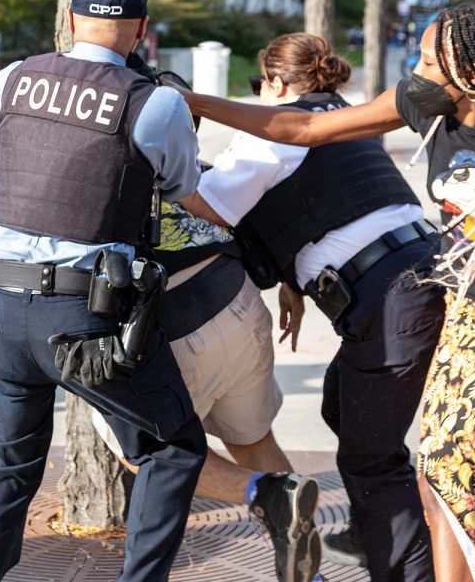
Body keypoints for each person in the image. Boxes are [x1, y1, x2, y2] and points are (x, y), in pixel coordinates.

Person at [175, 4, 475, 582]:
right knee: (443, 487)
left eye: (431, 60)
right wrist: (194, 103)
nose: (416, 68)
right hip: (463, 320)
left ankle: (406, 560)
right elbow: (301, 128)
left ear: (471, 73)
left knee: (449, 479)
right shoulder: (422, 103)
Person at [0, 0, 307, 582]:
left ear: (72, 18)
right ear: (142, 30)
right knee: (172, 449)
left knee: (4, 463)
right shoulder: (153, 104)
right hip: (87, 318)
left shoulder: (16, 81)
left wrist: (12, 222)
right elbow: (181, 183)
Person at [175, 32, 446, 582]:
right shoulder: (345, 117)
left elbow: (211, 208)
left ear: (274, 84)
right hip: (429, 272)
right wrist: (293, 282)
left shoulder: (272, 136)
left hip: (390, 299)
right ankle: (378, 533)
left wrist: (163, 167)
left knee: (370, 458)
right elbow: (324, 206)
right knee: (342, 403)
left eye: (260, 87)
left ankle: (401, 565)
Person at [90, 197, 323, 582]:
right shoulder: (159, 138)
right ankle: (309, 575)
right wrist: (288, 278)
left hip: (169, 323)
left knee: (150, 454)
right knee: (254, 442)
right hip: (236, 296)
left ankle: (268, 491)